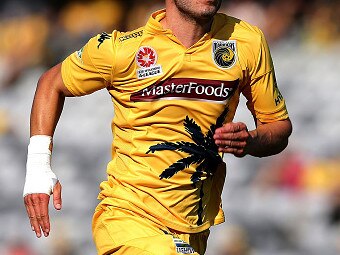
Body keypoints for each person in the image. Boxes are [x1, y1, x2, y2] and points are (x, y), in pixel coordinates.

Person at [23, 0, 292, 254]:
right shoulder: (123, 49)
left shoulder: (246, 41)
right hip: (128, 217)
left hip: (193, 228)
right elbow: (51, 83)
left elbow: (278, 126)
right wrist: (38, 168)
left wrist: (251, 141)